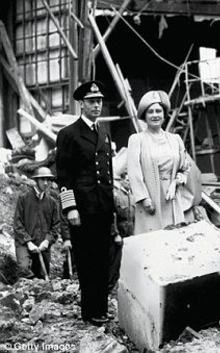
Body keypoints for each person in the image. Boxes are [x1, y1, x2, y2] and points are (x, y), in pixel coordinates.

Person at [56, 80, 116, 326]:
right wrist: (70, 208)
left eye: (99, 100)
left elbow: (107, 174)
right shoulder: (69, 134)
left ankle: (101, 308)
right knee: (87, 260)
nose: (97, 105)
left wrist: (111, 208)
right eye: (92, 101)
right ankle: (89, 311)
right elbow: (64, 175)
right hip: (81, 209)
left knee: (102, 260)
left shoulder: (102, 134)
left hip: (102, 207)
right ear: (81, 104)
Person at [127, 90, 196, 235]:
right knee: (153, 238)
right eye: (150, 112)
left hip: (172, 197)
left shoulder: (175, 139)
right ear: (144, 116)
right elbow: (134, 171)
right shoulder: (137, 139)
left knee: (175, 236)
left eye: (158, 111)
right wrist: (144, 198)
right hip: (150, 197)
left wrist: (175, 183)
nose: (155, 115)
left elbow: (184, 168)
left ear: (164, 115)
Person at [13, 167, 60, 279]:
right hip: (24, 243)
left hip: (42, 245)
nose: (45, 183)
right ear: (36, 180)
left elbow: (56, 226)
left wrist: (47, 241)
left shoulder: (52, 203)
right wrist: (28, 242)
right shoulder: (23, 199)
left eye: (48, 180)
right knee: (24, 269)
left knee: (42, 277)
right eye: (42, 179)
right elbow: (17, 224)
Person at [108, 172, 135, 294]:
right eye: (127, 180)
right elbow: (111, 216)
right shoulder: (116, 196)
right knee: (114, 264)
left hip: (129, 236)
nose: (129, 183)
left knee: (127, 264)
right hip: (118, 237)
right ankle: (109, 290)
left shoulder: (132, 197)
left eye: (131, 181)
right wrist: (116, 234)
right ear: (122, 181)